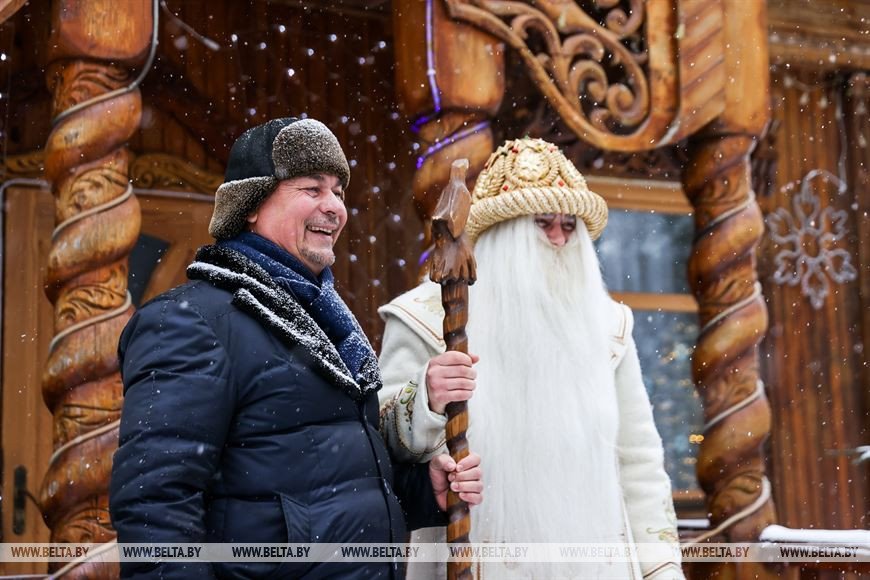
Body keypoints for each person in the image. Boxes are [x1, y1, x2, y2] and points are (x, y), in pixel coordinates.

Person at [109, 117, 482, 579]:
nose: (335, 207)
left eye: (338, 192)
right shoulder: (191, 322)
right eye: (312, 188)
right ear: (251, 205)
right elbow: (155, 505)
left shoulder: (325, 324)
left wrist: (424, 491)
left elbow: (330, 491)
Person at [378, 137, 684, 579]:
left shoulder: (609, 328)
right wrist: (425, 399)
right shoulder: (427, 318)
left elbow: (639, 462)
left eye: (569, 225)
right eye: (544, 223)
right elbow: (382, 444)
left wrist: (661, 569)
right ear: (503, 231)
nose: (560, 238)